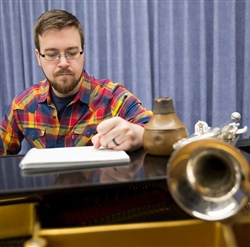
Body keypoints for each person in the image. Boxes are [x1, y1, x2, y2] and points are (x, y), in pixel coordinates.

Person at [0, 9, 152, 156]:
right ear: (38, 57)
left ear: (83, 52)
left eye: (72, 53)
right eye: (52, 54)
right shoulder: (22, 105)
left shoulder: (113, 97)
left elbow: (163, 134)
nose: (63, 63)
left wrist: (139, 134)